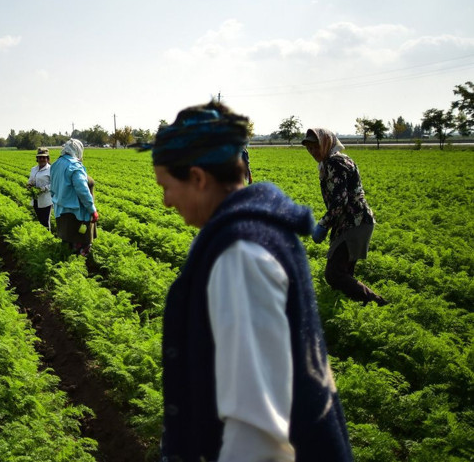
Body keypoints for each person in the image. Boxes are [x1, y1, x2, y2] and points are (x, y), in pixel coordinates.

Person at [150, 101, 352, 461]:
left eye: (166, 186)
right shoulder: (261, 231)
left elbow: (258, 436)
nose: (165, 202)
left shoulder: (240, 257)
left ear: (198, 178)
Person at [302, 128, 387, 306]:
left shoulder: (335, 162)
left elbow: (340, 201)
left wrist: (323, 225)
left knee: (334, 274)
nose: (312, 152)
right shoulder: (336, 160)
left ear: (326, 143)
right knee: (344, 272)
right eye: (309, 148)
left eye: (315, 147)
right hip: (353, 222)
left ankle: (377, 303)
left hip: (354, 222)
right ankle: (354, 308)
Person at [49, 139, 98, 256]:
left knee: (67, 245)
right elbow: (83, 191)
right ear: (78, 150)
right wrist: (92, 210)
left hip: (61, 211)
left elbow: (53, 189)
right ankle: (79, 269)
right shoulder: (74, 166)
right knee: (80, 247)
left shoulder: (56, 164)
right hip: (76, 215)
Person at [27, 147, 52, 230]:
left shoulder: (51, 169)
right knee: (39, 219)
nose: (41, 159)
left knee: (45, 221)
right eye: (39, 157)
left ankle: (47, 237)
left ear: (47, 158)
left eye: (44, 157)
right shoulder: (33, 169)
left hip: (46, 200)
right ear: (37, 158)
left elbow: (54, 184)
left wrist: (43, 188)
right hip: (36, 199)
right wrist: (29, 185)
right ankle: (42, 235)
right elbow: (31, 180)